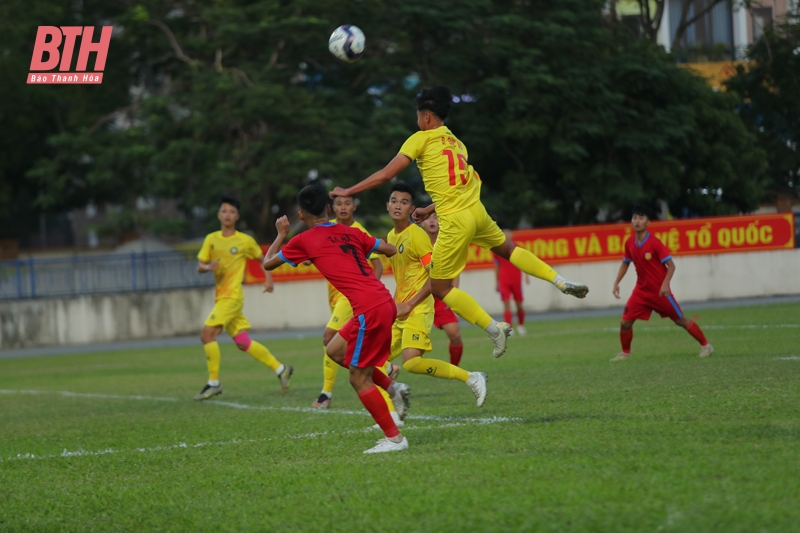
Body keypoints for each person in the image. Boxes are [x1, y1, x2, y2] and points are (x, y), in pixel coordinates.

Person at [331, 85, 589, 359]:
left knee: (441, 287)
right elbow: (461, 181)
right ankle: (559, 280)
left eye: (418, 115)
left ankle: (494, 329)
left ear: (427, 117)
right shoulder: (456, 142)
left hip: (455, 220)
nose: (417, 121)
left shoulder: (420, 138)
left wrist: (348, 191)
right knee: (509, 250)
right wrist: (430, 208)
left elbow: (385, 175)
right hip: (476, 211)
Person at [263, 184, 409, 454]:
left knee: (358, 379)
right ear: (329, 209)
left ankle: (395, 439)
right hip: (383, 301)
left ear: (302, 216)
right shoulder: (352, 232)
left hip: (368, 309)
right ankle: (392, 386)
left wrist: (281, 234)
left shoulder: (303, 240)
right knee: (334, 350)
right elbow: (388, 250)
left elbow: (268, 263)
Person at [328, 183, 488, 412]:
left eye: (404, 203)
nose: (398, 206)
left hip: (419, 308)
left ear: (411, 208)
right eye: (394, 201)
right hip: (398, 310)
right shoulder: (392, 236)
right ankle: (393, 412)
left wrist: (411, 303)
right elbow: (402, 278)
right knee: (371, 360)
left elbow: (435, 277)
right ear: (387, 205)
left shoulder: (417, 234)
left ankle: (472, 377)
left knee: (412, 362)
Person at [194, 196, 293, 401]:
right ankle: (281, 368)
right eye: (224, 211)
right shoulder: (211, 239)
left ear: (237, 216)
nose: (228, 214)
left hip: (233, 297)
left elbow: (263, 258)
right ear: (219, 215)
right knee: (242, 342)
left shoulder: (244, 240)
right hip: (221, 297)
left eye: (232, 211)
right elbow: (200, 266)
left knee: (207, 335)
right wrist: (208, 267)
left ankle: (214, 383)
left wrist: (269, 279)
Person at [311, 194, 385, 409]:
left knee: (329, 337)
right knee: (340, 342)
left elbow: (377, 263)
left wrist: (370, 290)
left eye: (347, 203)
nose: (343, 207)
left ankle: (325, 394)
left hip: (352, 296)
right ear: (332, 207)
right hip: (334, 295)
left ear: (354, 206)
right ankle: (386, 370)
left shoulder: (359, 231)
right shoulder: (327, 228)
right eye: (338, 204)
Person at [611, 206, 714, 361]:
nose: (637, 221)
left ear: (648, 222)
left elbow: (671, 266)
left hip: (660, 292)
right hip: (640, 292)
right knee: (625, 322)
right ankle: (625, 354)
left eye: (641, 218)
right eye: (634, 218)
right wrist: (617, 282)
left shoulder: (654, 243)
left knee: (681, 320)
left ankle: (706, 346)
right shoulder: (629, 243)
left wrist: (665, 284)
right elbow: (626, 263)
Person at [419, 213, 464, 366]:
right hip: (420, 298)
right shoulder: (417, 242)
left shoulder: (447, 243)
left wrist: (453, 296)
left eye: (435, 217)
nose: (432, 221)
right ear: (422, 223)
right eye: (428, 218)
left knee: (455, 335)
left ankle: (454, 368)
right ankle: (388, 369)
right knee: (408, 343)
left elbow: (455, 271)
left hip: (441, 296)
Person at [493, 229, 530, 336]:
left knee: (519, 305)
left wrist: (526, 276)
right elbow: (497, 266)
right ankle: (510, 327)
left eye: (508, 233)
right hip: (504, 281)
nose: (507, 235)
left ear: (512, 235)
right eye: (504, 234)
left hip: (516, 280)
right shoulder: (498, 250)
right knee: (506, 304)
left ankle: (521, 325)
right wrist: (496, 282)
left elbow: (524, 263)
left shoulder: (518, 248)